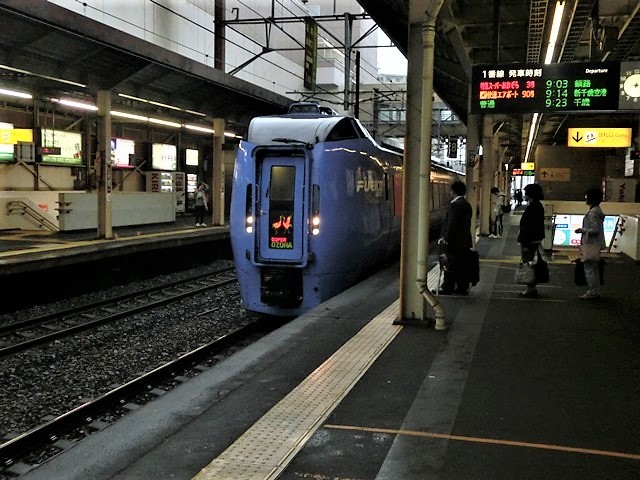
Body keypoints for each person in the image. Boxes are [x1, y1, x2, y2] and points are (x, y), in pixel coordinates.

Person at [436, 180, 473, 295]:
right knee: (461, 265)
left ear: (453, 191)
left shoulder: (455, 205)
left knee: (450, 264)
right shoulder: (466, 204)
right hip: (464, 241)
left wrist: (446, 239)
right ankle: (462, 287)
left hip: (454, 243)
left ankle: (447, 287)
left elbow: (452, 225)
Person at [575, 188, 605, 299]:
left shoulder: (592, 213)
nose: (585, 198)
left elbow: (594, 229)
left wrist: (582, 230)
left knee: (589, 268)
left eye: (586, 196)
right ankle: (595, 290)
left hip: (590, 244)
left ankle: (591, 291)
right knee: (594, 268)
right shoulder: (598, 210)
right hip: (596, 244)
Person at [516, 183, 545, 297]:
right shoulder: (537, 206)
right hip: (533, 239)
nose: (524, 194)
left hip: (529, 240)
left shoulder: (534, 207)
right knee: (530, 263)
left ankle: (530, 288)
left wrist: (525, 244)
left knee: (528, 263)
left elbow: (529, 226)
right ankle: (531, 287)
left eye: (526, 192)